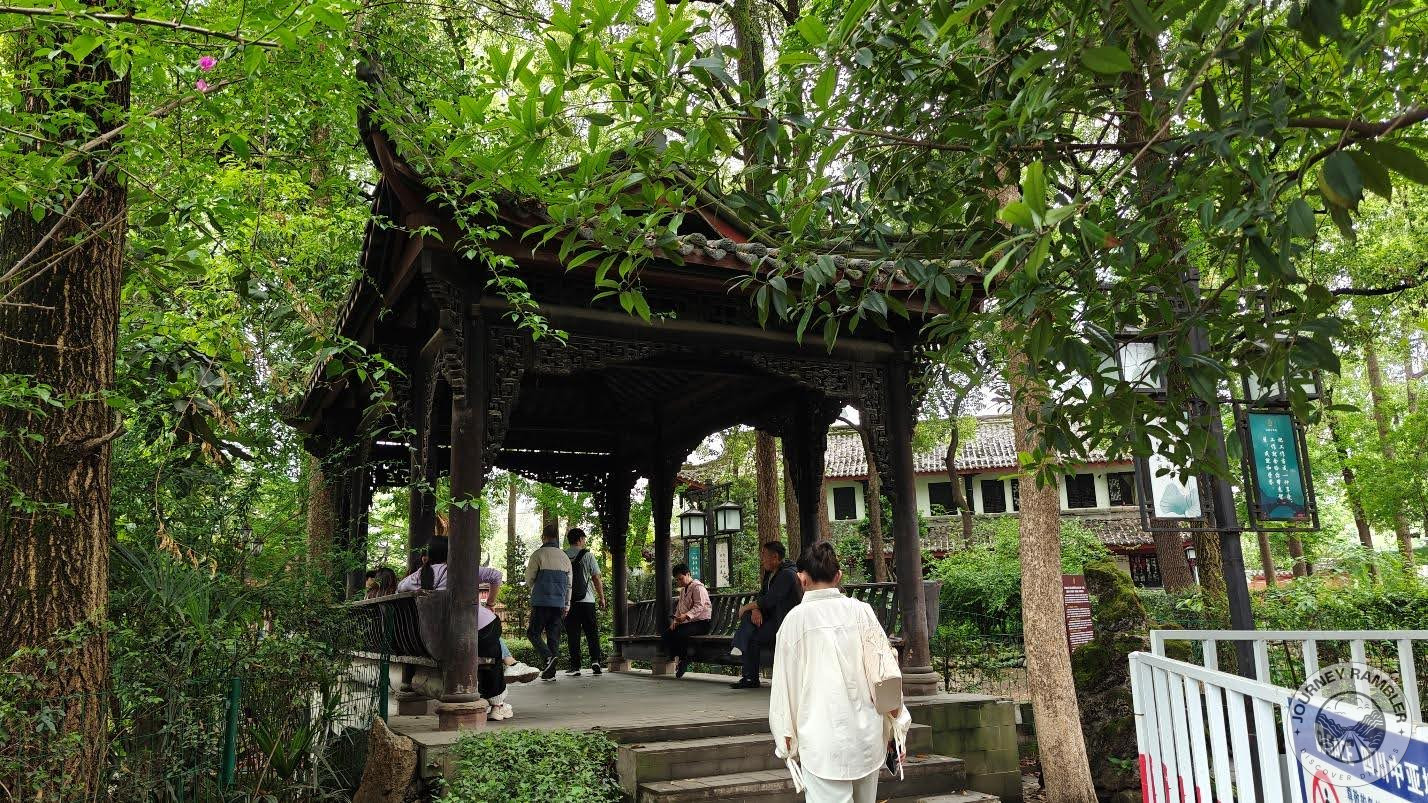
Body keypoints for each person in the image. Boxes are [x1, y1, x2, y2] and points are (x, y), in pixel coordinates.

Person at [768, 540, 910, 803]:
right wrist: (895, 727)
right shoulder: (861, 612)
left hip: (821, 740)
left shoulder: (793, 622)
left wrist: (786, 739)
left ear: (802, 579)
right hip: (865, 736)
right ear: (838, 576)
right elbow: (885, 675)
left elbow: (783, 689)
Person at [394, 539, 539, 686]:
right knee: (487, 632)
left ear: (428, 557)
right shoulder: (462, 568)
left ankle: (511, 666)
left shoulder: (418, 576)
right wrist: (490, 603)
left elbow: (399, 588)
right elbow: (496, 576)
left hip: (431, 639)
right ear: (452, 553)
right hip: (468, 632)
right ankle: (509, 670)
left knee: (483, 633)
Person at [729, 541, 801, 689]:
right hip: (770, 619)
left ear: (775, 556)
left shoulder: (788, 574)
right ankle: (750, 677)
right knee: (750, 623)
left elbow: (771, 599)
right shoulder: (770, 572)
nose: (762, 560)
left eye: (764, 556)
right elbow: (762, 596)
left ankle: (741, 653)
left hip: (785, 622)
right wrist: (756, 609)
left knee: (752, 636)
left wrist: (748, 607)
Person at [524, 524, 572, 681]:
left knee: (533, 633)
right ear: (557, 538)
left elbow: (530, 578)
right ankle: (550, 672)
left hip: (541, 601)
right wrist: (567, 603)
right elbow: (569, 584)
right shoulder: (565, 557)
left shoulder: (538, 554)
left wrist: (536, 589)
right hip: (559, 603)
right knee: (553, 636)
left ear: (543, 537)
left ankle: (548, 657)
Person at [563, 528, 607, 677]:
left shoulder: (563, 556)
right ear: (580, 539)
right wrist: (601, 597)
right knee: (591, 632)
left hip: (569, 602)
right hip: (587, 600)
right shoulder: (588, 555)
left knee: (573, 634)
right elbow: (596, 578)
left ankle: (575, 666)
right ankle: (595, 661)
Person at [662, 563, 712, 678]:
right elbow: (679, 609)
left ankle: (684, 660)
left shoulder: (698, 588)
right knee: (667, 635)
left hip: (702, 623)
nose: (679, 582)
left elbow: (699, 606)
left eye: (681, 579)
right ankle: (681, 658)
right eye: (677, 580)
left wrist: (686, 616)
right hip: (688, 624)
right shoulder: (683, 590)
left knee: (680, 634)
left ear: (688, 574)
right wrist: (675, 621)